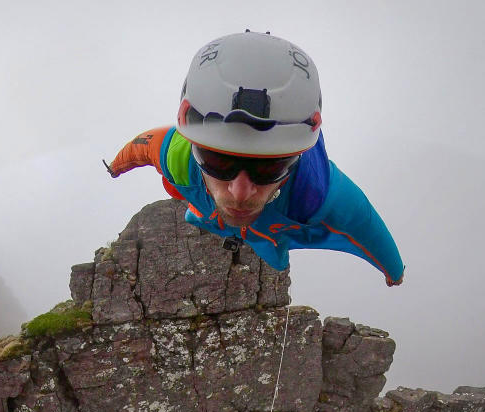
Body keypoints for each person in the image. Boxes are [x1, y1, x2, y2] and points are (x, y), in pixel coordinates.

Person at [105, 30, 404, 287]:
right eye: (218, 160)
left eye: (268, 166)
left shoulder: (313, 193)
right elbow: (140, 149)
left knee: (267, 250)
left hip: (261, 237)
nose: (240, 192)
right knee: (235, 227)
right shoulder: (176, 155)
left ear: (296, 159)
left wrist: (393, 270)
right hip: (249, 226)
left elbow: (367, 228)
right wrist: (394, 273)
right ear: (192, 143)